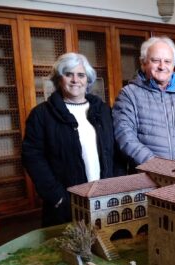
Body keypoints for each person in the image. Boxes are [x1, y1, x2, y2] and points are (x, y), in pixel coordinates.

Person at [22, 52, 125, 227]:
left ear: (88, 80)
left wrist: (116, 185)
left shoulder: (103, 111)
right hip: (66, 204)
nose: (75, 80)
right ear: (59, 79)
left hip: (105, 199)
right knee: (72, 251)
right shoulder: (41, 114)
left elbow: (118, 151)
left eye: (81, 75)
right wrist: (57, 198)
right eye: (68, 74)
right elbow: (33, 158)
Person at [113, 36, 175, 169]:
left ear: (173, 65)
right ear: (144, 63)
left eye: (167, 61)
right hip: (148, 176)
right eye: (156, 60)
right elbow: (125, 137)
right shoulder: (128, 94)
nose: (162, 66)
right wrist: (158, 167)